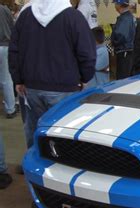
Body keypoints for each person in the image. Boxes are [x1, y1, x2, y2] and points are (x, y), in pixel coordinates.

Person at [8, 0, 96, 148]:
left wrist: (18, 79)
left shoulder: (26, 16)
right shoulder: (73, 17)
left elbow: (14, 50)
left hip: (32, 86)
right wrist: (84, 77)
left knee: (35, 132)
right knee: (63, 133)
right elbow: (86, 53)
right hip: (65, 87)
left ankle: (35, 167)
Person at [0, 2, 17, 119]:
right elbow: (13, 27)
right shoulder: (5, 10)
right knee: (6, 79)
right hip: (5, 45)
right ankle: (10, 109)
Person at [112, 0, 136, 79]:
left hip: (124, 52)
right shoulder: (128, 16)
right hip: (127, 52)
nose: (115, 6)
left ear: (119, 5)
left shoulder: (124, 18)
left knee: (122, 79)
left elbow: (121, 36)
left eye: (115, 3)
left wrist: (113, 41)